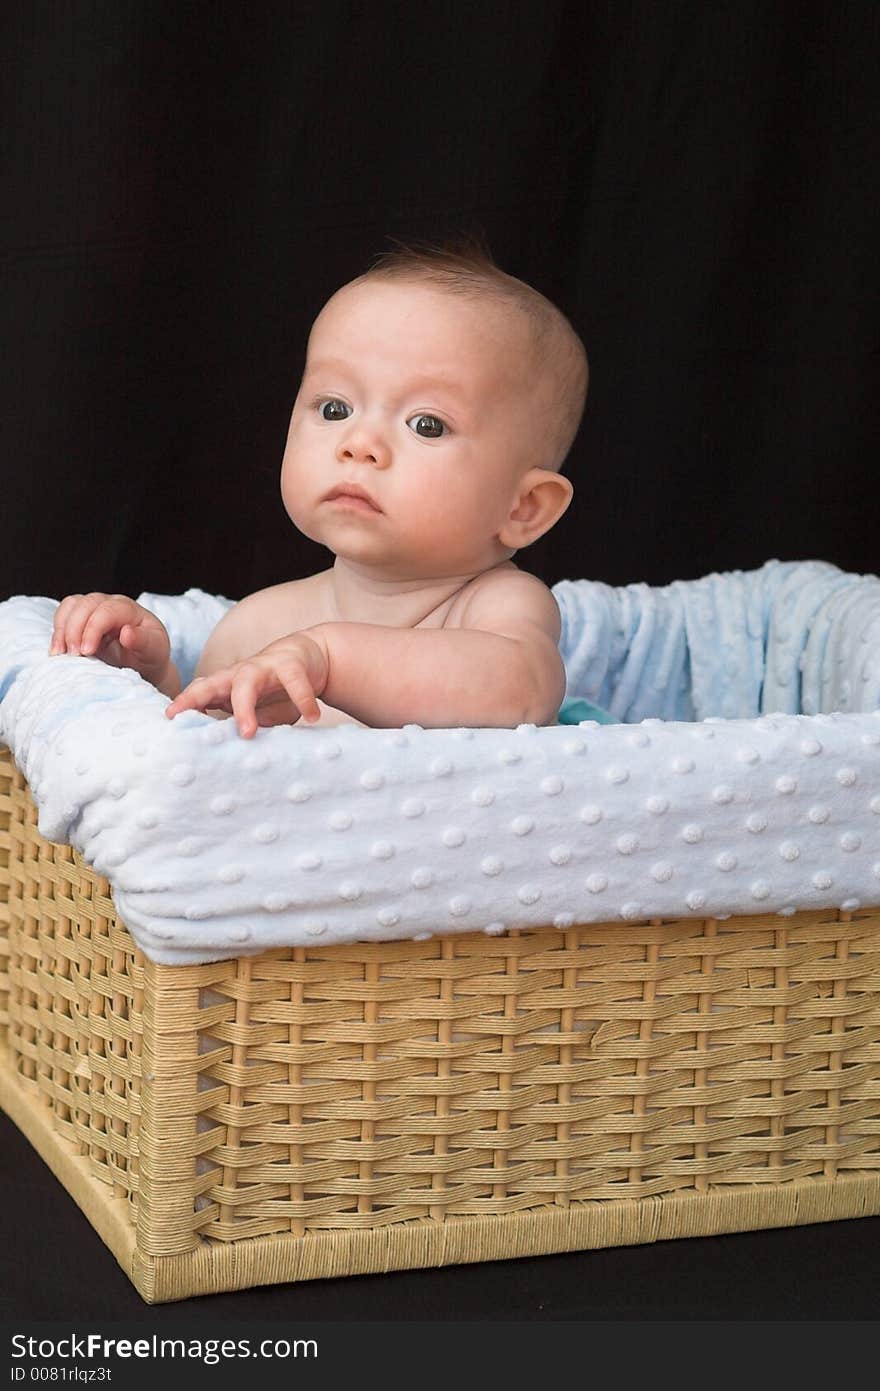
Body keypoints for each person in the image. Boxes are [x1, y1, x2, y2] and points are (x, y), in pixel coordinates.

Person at [48, 241, 588, 736]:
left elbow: (522, 693)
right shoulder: (259, 623)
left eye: (426, 424)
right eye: (335, 409)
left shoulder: (497, 605)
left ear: (525, 507)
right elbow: (205, 745)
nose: (360, 444)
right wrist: (147, 675)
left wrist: (330, 659)